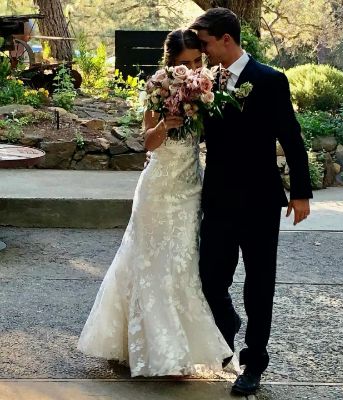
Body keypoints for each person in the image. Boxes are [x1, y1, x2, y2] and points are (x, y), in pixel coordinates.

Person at [77, 29, 233, 377]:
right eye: (186, 62)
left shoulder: (209, 86)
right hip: (158, 189)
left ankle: (176, 350)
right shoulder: (157, 87)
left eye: (197, 60)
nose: (193, 68)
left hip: (190, 188)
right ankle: (161, 353)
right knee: (152, 265)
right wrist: (164, 124)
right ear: (172, 63)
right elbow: (147, 142)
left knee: (182, 265)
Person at [189, 8, 313, 396]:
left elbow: (291, 137)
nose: (203, 51)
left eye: (206, 43)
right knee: (209, 277)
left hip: (260, 200)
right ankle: (227, 324)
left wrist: (300, 192)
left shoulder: (270, 80)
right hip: (218, 198)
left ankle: (253, 363)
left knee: (259, 285)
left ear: (226, 39)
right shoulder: (205, 82)